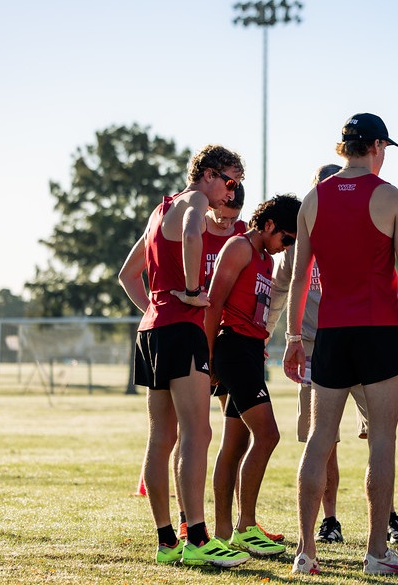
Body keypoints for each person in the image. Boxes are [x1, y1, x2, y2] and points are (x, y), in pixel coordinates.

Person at [283, 113, 398, 576]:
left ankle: (306, 552)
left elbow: (299, 278)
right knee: (381, 440)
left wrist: (291, 337)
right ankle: (376, 553)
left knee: (321, 438)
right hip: (379, 331)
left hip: (330, 334)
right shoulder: (393, 198)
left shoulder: (312, 199)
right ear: (378, 146)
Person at [266, 164, 398, 547]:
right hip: (322, 345)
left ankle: (383, 518)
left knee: (374, 436)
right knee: (328, 440)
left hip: (344, 339)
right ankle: (329, 522)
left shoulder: (344, 223)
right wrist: (281, 337)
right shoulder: (303, 235)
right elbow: (283, 291)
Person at [117, 144, 250, 567]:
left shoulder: (160, 210)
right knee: (198, 433)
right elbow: (194, 234)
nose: (231, 194)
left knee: (162, 438)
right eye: (230, 182)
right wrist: (192, 292)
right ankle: (196, 537)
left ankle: (166, 541)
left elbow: (127, 274)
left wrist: (159, 309)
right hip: (181, 329)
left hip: (152, 330)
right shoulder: (193, 199)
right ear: (208, 174)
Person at [206, 194, 300, 558]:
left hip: (248, 352)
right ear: (270, 225)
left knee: (236, 443)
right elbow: (214, 304)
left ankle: (224, 533)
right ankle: (245, 527)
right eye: (286, 239)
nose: (286, 248)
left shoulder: (263, 258)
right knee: (268, 435)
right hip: (231, 350)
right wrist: (209, 359)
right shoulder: (240, 247)